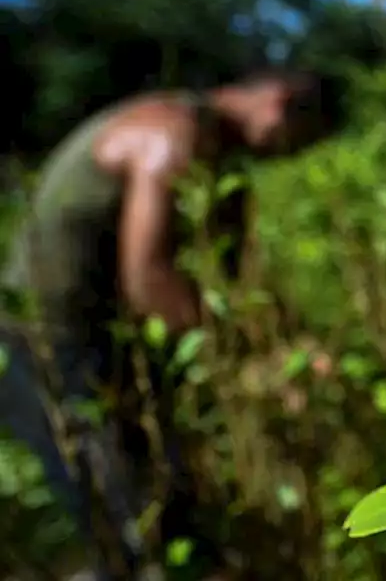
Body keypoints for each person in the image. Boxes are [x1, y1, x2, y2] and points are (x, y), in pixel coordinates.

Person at [0, 68, 341, 579]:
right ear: (280, 103)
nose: (287, 156)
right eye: (299, 140)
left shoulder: (223, 167)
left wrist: (291, 343)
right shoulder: (173, 132)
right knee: (130, 513)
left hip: (107, 347)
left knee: (170, 493)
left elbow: (236, 282)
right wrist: (254, 362)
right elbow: (151, 282)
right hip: (45, 346)